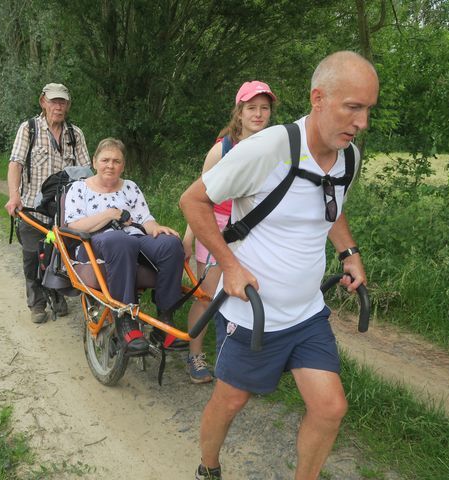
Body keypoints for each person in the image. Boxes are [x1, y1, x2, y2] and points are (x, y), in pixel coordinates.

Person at [180, 51, 379, 480]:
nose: (362, 122)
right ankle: (208, 467)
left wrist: (349, 253)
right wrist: (229, 266)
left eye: (367, 110)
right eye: (353, 107)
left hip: (306, 312)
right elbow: (193, 201)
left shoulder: (349, 157)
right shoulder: (267, 148)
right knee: (231, 400)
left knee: (330, 408)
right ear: (319, 98)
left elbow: (331, 208)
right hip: (252, 314)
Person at [182, 81, 276, 384]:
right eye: (252, 108)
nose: (258, 114)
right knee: (208, 296)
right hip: (218, 230)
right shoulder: (222, 150)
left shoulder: (278, 149)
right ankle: (195, 354)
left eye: (264, 108)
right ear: (239, 112)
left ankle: (240, 361)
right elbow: (197, 198)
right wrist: (189, 236)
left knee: (248, 294)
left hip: (256, 231)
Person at [64, 137, 185, 355]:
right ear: (94, 162)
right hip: (95, 241)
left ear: (123, 165)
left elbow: (145, 218)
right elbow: (74, 225)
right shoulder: (78, 189)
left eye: (116, 161)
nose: (110, 165)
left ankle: (164, 322)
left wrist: (156, 227)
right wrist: (110, 214)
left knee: (171, 244)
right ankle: (126, 322)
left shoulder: (130, 187)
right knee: (121, 240)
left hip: (134, 239)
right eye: (105, 160)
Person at [5, 83, 91, 324]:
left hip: (64, 213)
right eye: (54, 101)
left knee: (59, 256)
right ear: (43, 102)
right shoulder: (29, 129)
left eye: (62, 102)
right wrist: (14, 195)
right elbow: (15, 163)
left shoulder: (76, 134)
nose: (58, 106)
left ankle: (55, 292)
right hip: (33, 209)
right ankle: (37, 302)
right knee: (33, 257)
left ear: (68, 105)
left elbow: (86, 172)